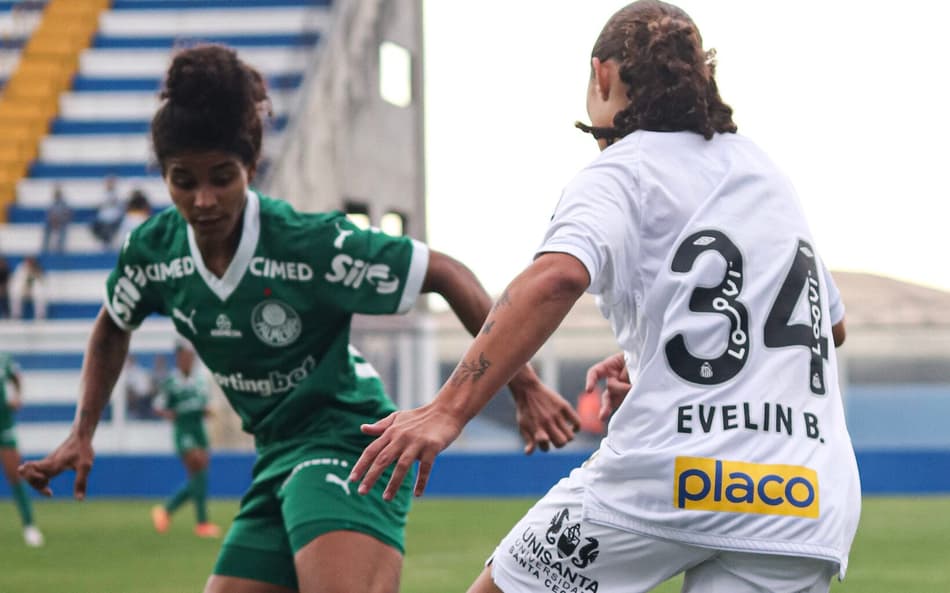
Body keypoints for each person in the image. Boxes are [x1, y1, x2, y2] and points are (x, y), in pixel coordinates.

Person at [18, 44, 579, 593]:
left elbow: (446, 273)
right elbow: (113, 324)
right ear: (164, 176)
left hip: (350, 441)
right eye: (183, 181)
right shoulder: (154, 251)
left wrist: (524, 386)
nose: (205, 199)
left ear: (251, 167)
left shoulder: (309, 245)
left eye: (222, 176)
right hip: (276, 455)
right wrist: (82, 432)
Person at [349, 2, 861, 592]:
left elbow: (556, 279)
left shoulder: (623, 169)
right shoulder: (765, 173)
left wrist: (446, 411)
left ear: (603, 76)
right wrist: (666, 350)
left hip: (677, 476)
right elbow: (827, 326)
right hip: (805, 494)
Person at [151, 339, 220, 538]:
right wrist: (169, 414)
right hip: (184, 429)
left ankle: (171, 513)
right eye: (186, 356)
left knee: (200, 475)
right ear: (179, 358)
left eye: (191, 357)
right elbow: (159, 405)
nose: (189, 360)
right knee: (197, 463)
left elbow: (204, 402)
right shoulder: (171, 382)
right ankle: (197, 521)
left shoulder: (199, 380)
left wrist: (207, 411)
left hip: (198, 427)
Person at [0, 351, 44, 547]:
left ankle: (29, 526)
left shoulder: (3, 359)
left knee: (15, 475)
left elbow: (16, 377)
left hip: (3, 424)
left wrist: (18, 397)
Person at [90, 175, 124, 249]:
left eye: (111, 183)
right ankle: (105, 243)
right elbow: (99, 207)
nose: (109, 185)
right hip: (103, 220)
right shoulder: (101, 195)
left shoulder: (118, 195)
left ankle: (109, 242)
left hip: (114, 220)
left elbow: (120, 209)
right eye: (108, 183)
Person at [9, 256, 47, 321]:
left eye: (31, 260)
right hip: (22, 289)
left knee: (40, 294)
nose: (30, 262)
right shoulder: (20, 268)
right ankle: (16, 315)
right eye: (28, 260)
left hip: (34, 290)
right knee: (15, 293)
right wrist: (24, 289)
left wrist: (34, 272)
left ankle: (40, 316)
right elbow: (17, 280)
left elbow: (42, 281)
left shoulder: (38, 268)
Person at [41, 184, 72, 254]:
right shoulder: (52, 204)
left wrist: (60, 220)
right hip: (52, 222)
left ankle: (60, 248)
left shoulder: (64, 204)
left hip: (61, 222)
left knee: (63, 229)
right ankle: (44, 248)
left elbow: (68, 214)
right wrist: (52, 220)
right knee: (46, 227)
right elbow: (48, 214)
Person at [0, 255, 10, 319]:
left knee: (4, 295)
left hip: (4, 289)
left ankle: (6, 314)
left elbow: (7, 281)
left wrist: (2, 288)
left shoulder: (6, 271)